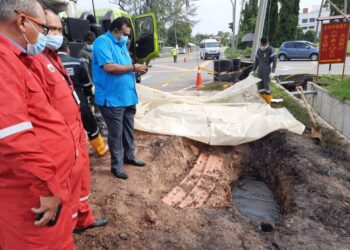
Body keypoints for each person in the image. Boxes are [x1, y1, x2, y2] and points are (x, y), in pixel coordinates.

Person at [0, 0, 75, 248]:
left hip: (39, 185)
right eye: (43, 28)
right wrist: (47, 187)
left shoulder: (17, 59)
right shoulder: (3, 63)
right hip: (31, 195)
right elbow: (13, 137)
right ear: (21, 21)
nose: (45, 35)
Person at [29, 9, 108, 233]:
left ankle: (83, 218)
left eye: (59, 29)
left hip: (76, 133)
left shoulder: (55, 59)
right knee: (66, 189)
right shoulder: (33, 62)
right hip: (60, 141)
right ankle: (70, 225)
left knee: (81, 184)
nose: (56, 34)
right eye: (51, 29)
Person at [92, 17, 148, 180]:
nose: (126, 37)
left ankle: (129, 156)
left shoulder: (121, 45)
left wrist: (137, 70)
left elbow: (125, 69)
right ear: (116, 30)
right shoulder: (102, 42)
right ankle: (117, 166)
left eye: (127, 35)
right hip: (112, 99)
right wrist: (132, 67)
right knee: (116, 134)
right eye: (124, 33)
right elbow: (109, 67)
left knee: (128, 130)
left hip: (127, 97)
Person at [59, 37, 109, 157]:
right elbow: (87, 85)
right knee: (90, 124)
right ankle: (101, 149)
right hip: (79, 99)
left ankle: (71, 154)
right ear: (67, 49)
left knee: (66, 129)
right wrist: (87, 96)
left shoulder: (48, 63)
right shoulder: (76, 62)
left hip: (59, 102)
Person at [79, 30, 109, 137]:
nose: (91, 44)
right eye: (89, 43)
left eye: (92, 42)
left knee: (104, 105)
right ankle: (101, 127)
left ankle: (104, 124)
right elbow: (85, 71)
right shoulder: (83, 53)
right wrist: (90, 85)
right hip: (93, 84)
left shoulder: (97, 51)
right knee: (97, 107)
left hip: (101, 83)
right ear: (84, 42)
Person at [251, 37, 277, 104]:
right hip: (260, 70)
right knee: (260, 85)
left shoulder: (270, 49)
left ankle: (268, 101)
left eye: (265, 44)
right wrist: (253, 70)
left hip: (267, 70)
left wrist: (273, 72)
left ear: (267, 43)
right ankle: (261, 100)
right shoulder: (259, 50)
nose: (264, 46)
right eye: (263, 44)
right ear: (261, 44)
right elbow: (256, 61)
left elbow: (275, 60)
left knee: (266, 85)